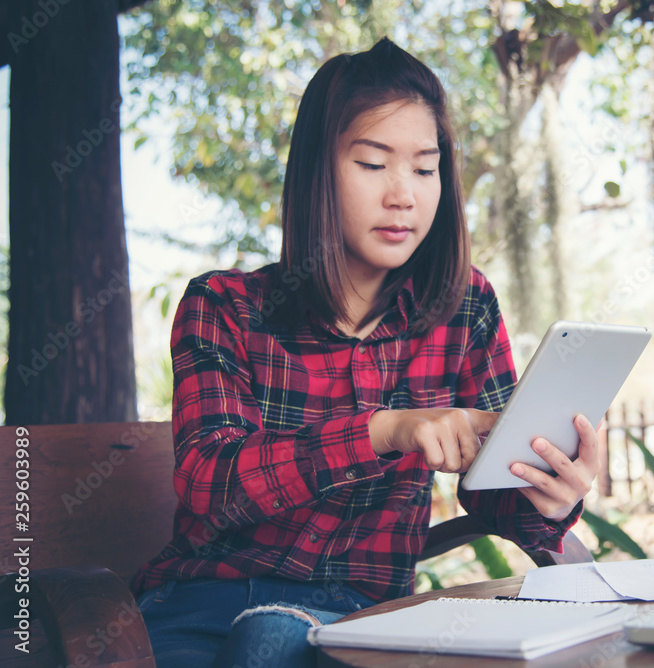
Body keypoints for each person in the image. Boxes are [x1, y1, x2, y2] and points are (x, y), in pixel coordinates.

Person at [130, 37, 599, 668]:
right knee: (266, 641)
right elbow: (212, 486)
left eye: (425, 168)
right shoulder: (225, 307)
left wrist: (551, 491)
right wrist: (385, 430)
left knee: (278, 641)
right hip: (203, 607)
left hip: (365, 617)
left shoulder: (465, 306)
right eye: (374, 164)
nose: (403, 194)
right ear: (318, 171)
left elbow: (494, 492)